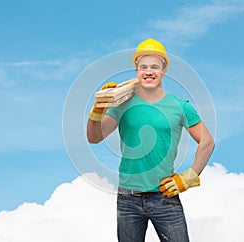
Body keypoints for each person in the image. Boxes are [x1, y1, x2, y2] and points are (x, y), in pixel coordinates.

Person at [87, 38, 215, 242]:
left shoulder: (180, 106)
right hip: (128, 199)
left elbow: (207, 142)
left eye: (155, 66)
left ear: (164, 71)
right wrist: (97, 111)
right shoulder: (121, 104)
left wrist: (189, 177)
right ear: (136, 71)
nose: (149, 71)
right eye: (143, 66)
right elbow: (94, 137)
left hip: (165, 198)